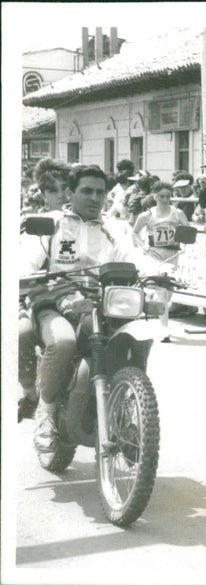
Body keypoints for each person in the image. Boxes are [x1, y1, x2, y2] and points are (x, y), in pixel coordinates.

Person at [18, 165, 159, 446]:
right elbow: (26, 260)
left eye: (100, 192)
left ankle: (126, 411)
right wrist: (24, 275)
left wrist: (160, 275)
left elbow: (135, 257)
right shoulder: (51, 223)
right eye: (87, 191)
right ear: (70, 193)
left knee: (133, 338)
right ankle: (45, 414)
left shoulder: (114, 227)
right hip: (55, 300)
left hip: (101, 301)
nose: (95, 197)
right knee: (64, 342)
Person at [131, 181, 190, 342]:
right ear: (155, 197)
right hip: (154, 255)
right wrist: (143, 245)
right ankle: (165, 329)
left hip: (171, 256)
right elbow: (135, 233)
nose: (165, 199)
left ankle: (153, 301)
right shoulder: (147, 215)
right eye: (162, 196)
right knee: (162, 289)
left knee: (167, 292)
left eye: (168, 196)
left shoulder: (177, 213)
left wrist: (184, 235)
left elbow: (188, 230)